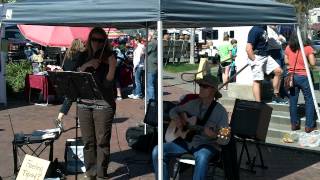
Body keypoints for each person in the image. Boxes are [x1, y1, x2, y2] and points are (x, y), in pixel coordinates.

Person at [152, 74, 229, 180]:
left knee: (202, 157)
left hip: (206, 145)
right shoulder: (193, 104)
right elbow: (173, 110)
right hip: (187, 143)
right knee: (157, 150)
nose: (200, 88)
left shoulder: (221, 112)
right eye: (200, 85)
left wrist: (215, 136)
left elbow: (225, 138)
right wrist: (177, 119)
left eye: (204, 86)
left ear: (213, 90)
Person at [76, 27, 117, 179]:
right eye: (94, 40)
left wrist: (112, 67)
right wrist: (87, 65)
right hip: (84, 103)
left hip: (103, 103)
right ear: (90, 39)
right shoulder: (82, 56)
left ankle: (101, 174)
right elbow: (75, 75)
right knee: (88, 142)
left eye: (101, 41)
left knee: (102, 142)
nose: (97, 43)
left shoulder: (110, 57)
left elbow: (108, 85)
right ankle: (90, 173)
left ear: (105, 42)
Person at [284, 33, 316, 133]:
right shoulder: (307, 48)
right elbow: (313, 63)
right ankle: (309, 126)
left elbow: (286, 61)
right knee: (309, 100)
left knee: (293, 100)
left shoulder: (288, 47)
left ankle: (294, 124)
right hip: (304, 76)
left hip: (292, 77)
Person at [246, 25, 284, 102]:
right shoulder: (255, 29)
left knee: (278, 71)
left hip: (266, 56)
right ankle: (258, 103)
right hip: (257, 57)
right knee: (257, 80)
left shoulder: (265, 27)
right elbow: (248, 48)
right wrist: (254, 60)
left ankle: (275, 93)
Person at [54, 39, 85, 130]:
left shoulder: (67, 54)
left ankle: (59, 118)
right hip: (77, 79)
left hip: (67, 80)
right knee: (81, 99)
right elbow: (81, 67)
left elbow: (64, 67)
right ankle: (80, 120)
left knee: (69, 99)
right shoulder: (80, 54)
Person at [267, 25, 288, 102]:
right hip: (273, 53)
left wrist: (280, 40)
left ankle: (280, 93)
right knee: (277, 73)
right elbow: (273, 43)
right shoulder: (268, 30)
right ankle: (276, 95)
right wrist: (280, 40)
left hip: (279, 52)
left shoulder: (275, 29)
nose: (275, 24)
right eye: (273, 23)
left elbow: (285, 40)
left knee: (281, 74)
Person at [128, 35, 145, 99]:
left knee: (137, 81)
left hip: (138, 66)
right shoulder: (138, 47)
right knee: (135, 80)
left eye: (135, 40)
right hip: (137, 65)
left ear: (137, 40)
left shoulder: (140, 47)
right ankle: (135, 92)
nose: (134, 41)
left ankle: (138, 93)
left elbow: (139, 57)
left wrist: (135, 66)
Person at [146, 31, 158, 102]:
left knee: (150, 84)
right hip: (155, 65)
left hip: (151, 66)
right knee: (154, 84)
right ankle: (154, 99)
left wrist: (148, 42)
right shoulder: (157, 42)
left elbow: (145, 51)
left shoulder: (152, 43)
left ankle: (151, 100)